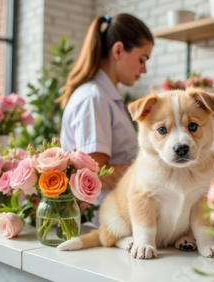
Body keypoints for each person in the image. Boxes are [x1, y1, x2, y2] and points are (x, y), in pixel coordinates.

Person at [56, 13, 154, 224]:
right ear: (118, 50)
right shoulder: (94, 98)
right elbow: (98, 173)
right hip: (105, 222)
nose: (144, 69)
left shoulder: (105, 98)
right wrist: (163, 168)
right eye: (142, 59)